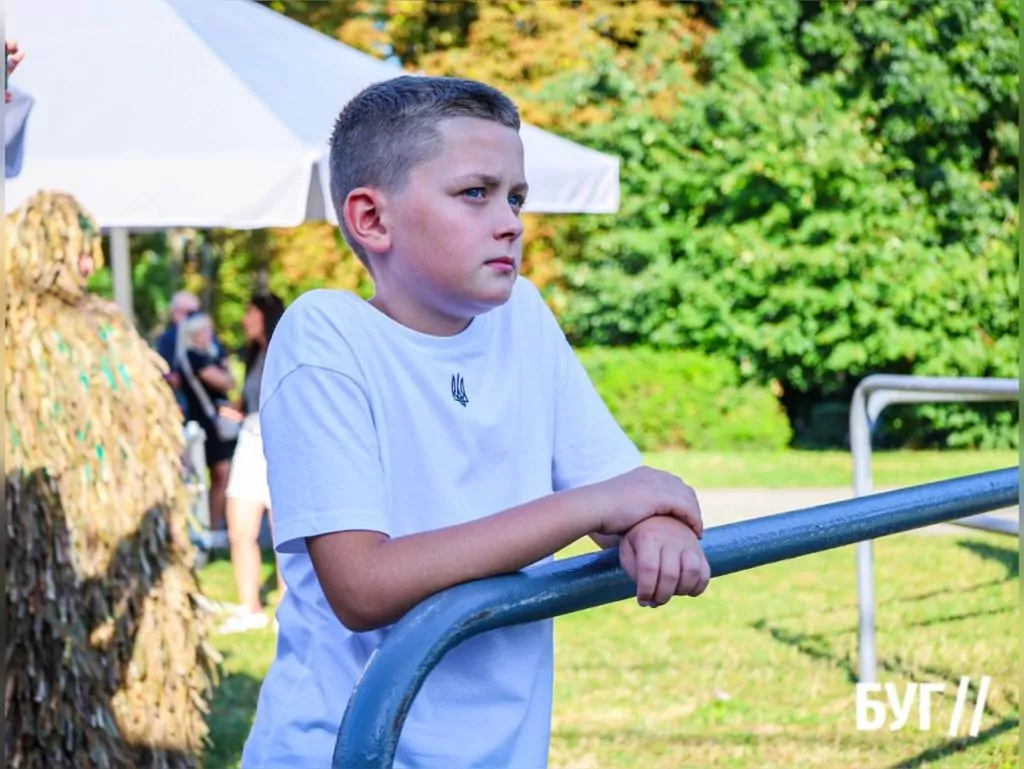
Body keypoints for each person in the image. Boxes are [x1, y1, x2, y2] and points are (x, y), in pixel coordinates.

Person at [242, 76, 711, 769]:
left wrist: (653, 526)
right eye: (474, 193)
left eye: (515, 197)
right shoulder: (325, 334)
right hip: (347, 750)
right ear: (372, 219)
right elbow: (361, 585)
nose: (511, 222)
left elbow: (622, 491)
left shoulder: (523, 318)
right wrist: (598, 505)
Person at [219, 290, 287, 634]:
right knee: (239, 528)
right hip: (249, 440)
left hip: (280, 442)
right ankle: (250, 607)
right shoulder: (252, 354)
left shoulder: (285, 350)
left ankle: (288, 610)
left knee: (284, 533)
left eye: (251, 313)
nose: (245, 320)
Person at [177, 311, 237, 545]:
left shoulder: (206, 356)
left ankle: (215, 525)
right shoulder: (194, 358)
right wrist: (226, 371)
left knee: (219, 474)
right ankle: (212, 527)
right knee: (219, 472)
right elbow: (225, 382)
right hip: (206, 424)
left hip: (210, 422)